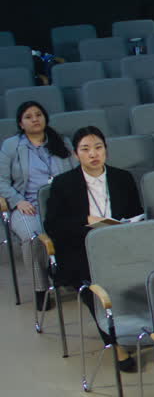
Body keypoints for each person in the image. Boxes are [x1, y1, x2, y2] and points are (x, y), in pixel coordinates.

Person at [45, 126, 144, 370]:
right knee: (93, 284)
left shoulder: (123, 178)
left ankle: (143, 329)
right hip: (82, 249)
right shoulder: (63, 183)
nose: (93, 154)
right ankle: (115, 343)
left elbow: (137, 213)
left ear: (106, 150)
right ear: (76, 154)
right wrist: (86, 222)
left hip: (121, 243)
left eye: (98, 147)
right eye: (85, 149)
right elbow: (53, 225)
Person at [0, 101, 76, 308]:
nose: (35, 119)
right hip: (28, 206)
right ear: (21, 124)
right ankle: (40, 288)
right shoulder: (11, 146)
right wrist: (17, 200)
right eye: (28, 117)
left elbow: (76, 173)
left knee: (79, 226)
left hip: (61, 206)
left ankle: (70, 275)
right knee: (33, 237)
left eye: (38, 115)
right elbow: (1, 181)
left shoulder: (62, 143)